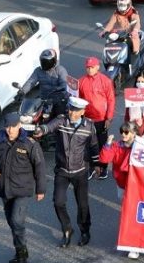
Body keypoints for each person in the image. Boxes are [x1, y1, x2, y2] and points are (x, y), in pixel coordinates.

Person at [35, 96, 100, 248]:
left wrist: (97, 164)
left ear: (82, 112)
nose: (71, 112)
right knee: (58, 202)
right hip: (62, 170)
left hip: (80, 171)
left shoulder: (89, 126)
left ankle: (85, 231)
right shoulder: (62, 121)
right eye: (70, 108)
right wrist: (41, 130)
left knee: (82, 204)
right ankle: (67, 229)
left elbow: (94, 146)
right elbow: (49, 127)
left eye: (75, 110)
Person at [0, 112, 46, 263]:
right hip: (5, 190)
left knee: (17, 222)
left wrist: (41, 189)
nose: (9, 130)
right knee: (12, 224)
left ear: (19, 125)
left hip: (22, 190)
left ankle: (22, 258)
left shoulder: (29, 143)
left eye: (12, 126)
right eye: (7, 126)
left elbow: (40, 167)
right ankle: (20, 251)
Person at [99, 122, 138, 258]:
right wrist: (108, 144)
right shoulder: (116, 145)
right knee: (126, 213)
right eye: (122, 132)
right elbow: (104, 159)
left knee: (133, 214)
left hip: (135, 186)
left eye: (126, 132)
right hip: (121, 184)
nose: (123, 135)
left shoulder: (139, 147)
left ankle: (134, 245)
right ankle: (126, 241)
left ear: (134, 133)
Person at [78, 56, 115, 180]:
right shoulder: (81, 81)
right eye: (87, 67)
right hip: (87, 120)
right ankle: (92, 168)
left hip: (102, 120)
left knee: (103, 145)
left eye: (92, 67)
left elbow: (111, 100)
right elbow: (77, 99)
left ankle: (104, 168)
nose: (89, 69)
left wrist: (109, 118)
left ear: (98, 67)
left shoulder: (105, 81)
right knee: (88, 145)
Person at [18, 48, 69, 117]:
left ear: (53, 61)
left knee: (59, 117)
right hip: (43, 100)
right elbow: (31, 82)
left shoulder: (60, 70)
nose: (44, 64)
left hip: (57, 101)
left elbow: (64, 85)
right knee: (29, 115)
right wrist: (22, 91)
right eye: (43, 62)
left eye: (46, 62)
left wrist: (56, 95)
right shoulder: (38, 71)